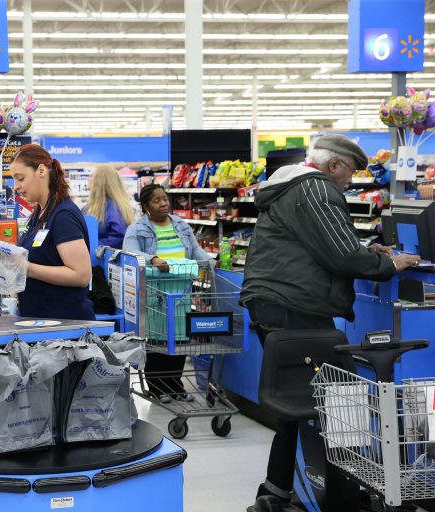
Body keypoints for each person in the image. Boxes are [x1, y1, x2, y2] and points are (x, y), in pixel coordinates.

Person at [241, 134, 419, 511]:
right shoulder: (316, 189)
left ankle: (277, 490)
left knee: (298, 399)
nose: (351, 181)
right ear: (334, 164)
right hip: (294, 305)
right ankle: (339, 494)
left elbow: (325, 246)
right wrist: (387, 264)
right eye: (351, 172)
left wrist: (364, 251)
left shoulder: (294, 186)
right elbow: (341, 256)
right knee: (338, 397)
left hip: (278, 304)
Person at [123, 184, 213, 402]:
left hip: (181, 291)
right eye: (157, 200)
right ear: (145, 206)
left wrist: (210, 262)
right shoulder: (137, 229)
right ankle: (157, 386)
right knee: (157, 341)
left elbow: (194, 250)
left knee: (179, 340)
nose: (163, 203)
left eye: (165, 199)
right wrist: (153, 259)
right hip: (154, 293)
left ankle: (175, 385)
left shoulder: (181, 225)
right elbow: (130, 252)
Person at [10, 144, 95, 320]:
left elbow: (81, 275)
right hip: (43, 322)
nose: (16, 186)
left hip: (65, 329)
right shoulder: (40, 213)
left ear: (41, 171)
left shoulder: (63, 215)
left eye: (20, 178)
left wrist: (26, 268)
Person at [84, 165, 135, 250]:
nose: (88, 179)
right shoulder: (92, 206)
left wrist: (91, 246)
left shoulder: (113, 207)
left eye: (91, 176)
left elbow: (119, 236)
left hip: (104, 259)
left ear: (100, 180)